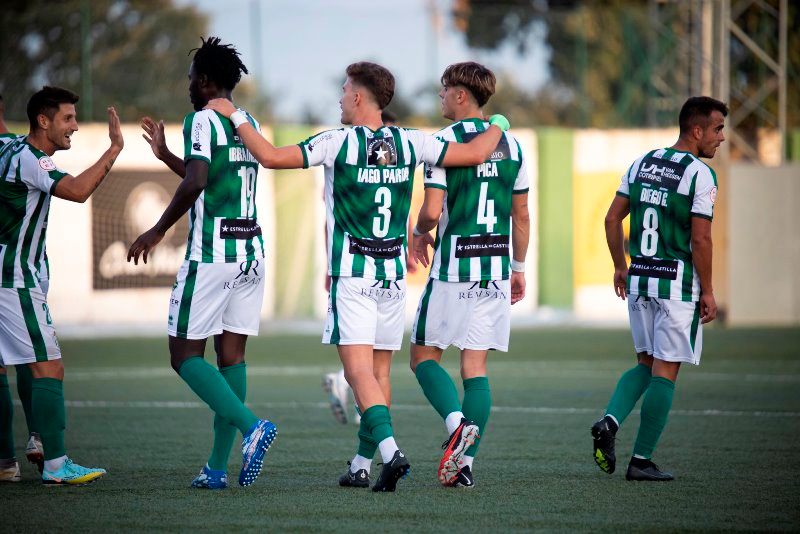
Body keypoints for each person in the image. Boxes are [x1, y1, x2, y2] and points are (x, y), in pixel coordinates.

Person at [205, 61, 510, 491]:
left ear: (359, 96)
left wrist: (234, 114)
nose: (340, 98)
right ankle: (362, 464)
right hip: (393, 278)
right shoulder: (411, 141)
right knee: (379, 374)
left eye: (344, 89)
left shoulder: (336, 142)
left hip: (353, 276)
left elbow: (270, 156)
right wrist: (497, 123)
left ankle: (391, 452)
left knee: (357, 373)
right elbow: (476, 154)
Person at [127, 37, 277, 490]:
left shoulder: (201, 119)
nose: (189, 85)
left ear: (206, 80)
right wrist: (166, 157)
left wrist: (157, 230)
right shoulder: (246, 122)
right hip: (250, 254)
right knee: (231, 359)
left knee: (183, 357)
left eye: (192, 78)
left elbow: (196, 183)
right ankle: (215, 468)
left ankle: (252, 427)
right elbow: (207, 178)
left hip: (212, 256)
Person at [591, 96, 727, 481]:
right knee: (666, 372)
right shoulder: (700, 175)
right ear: (696, 130)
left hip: (640, 279)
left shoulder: (642, 163)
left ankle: (609, 422)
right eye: (717, 129)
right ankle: (641, 461)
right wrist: (709, 290)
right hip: (676, 286)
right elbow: (700, 239)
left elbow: (612, 219)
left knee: (645, 363)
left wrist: (620, 266)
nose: (721, 137)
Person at [409, 62, 530, 488]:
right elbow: (521, 215)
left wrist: (418, 233)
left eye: (444, 89)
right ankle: (465, 466)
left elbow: (431, 211)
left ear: (461, 95)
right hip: (495, 269)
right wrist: (518, 269)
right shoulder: (512, 146)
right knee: (475, 369)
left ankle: (457, 425)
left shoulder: (442, 142)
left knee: (423, 358)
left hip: (453, 269)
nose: (441, 96)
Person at [0, 86, 124, 485]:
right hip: (14, 279)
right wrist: (113, 149)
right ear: (43, 121)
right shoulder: (32, 159)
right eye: (67, 118)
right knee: (49, 365)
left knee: (9, 365)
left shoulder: (7, 147)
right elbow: (77, 190)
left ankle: (6, 462)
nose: (74, 126)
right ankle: (56, 464)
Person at [321, 109, 409, 427]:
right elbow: (331, 219)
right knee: (370, 364)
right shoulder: (352, 161)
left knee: (371, 362)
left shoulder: (388, 158)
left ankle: (349, 395)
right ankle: (373, 430)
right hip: (369, 268)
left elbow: (402, 212)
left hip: (380, 266)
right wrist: (329, 264)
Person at [0, 94, 45, 481]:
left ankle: (6, 461)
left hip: (14, 269)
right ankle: (38, 437)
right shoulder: (21, 149)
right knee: (35, 356)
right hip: (27, 266)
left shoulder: (19, 152)